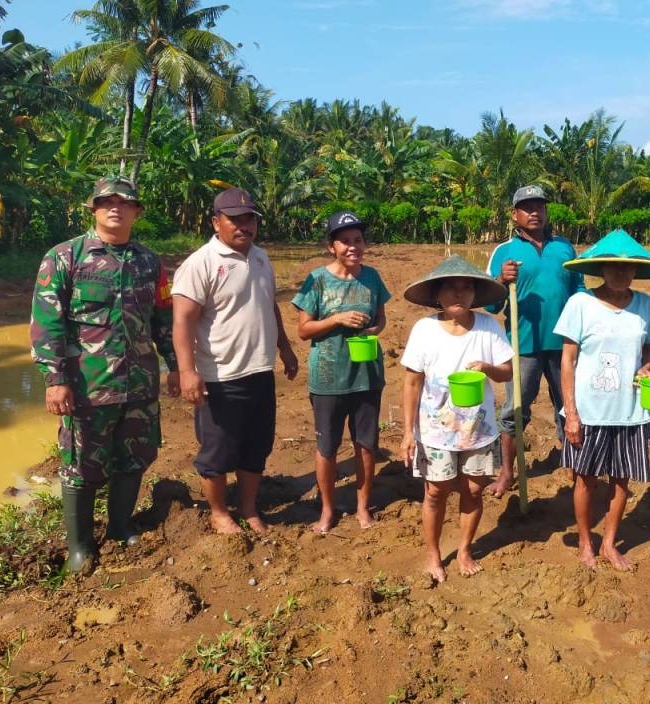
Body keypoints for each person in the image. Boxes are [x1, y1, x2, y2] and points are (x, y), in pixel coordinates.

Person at [31, 176, 180, 573]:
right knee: (81, 464)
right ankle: (79, 547)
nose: (115, 206)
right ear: (93, 209)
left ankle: (119, 526)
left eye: (124, 201)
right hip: (87, 387)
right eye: (106, 201)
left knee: (133, 458)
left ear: (136, 211)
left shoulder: (151, 263)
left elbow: (162, 319)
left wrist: (176, 366)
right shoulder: (65, 258)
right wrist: (55, 379)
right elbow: (47, 324)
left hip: (139, 385)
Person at [172, 187, 298, 535]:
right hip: (220, 376)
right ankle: (218, 512)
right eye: (234, 219)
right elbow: (183, 319)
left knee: (256, 445)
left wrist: (284, 349)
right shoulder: (200, 264)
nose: (244, 225)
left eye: (249, 219)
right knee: (217, 452)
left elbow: (269, 305)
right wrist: (186, 371)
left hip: (260, 370)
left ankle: (249, 509)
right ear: (216, 222)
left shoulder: (261, 257)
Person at [555, 230, 650, 571]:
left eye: (629, 269)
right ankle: (585, 543)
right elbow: (568, 361)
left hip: (630, 410)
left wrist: (648, 366)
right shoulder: (580, 304)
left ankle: (609, 543)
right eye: (614, 268)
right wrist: (571, 413)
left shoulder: (646, 305)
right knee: (585, 478)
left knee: (622, 478)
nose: (622, 274)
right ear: (600, 270)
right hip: (589, 411)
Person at [400, 255, 513, 581]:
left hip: (479, 431)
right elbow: (411, 382)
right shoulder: (424, 330)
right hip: (435, 433)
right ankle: (434, 553)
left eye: (466, 288)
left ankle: (464, 549)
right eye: (451, 288)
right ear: (437, 294)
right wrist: (408, 433)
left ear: (476, 295)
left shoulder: (489, 327)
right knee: (435, 492)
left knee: (474, 491)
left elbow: (506, 372)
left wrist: (487, 367)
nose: (459, 294)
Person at [293, 211, 390, 532]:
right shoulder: (317, 280)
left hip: (367, 376)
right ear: (331, 246)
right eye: (345, 242)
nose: (353, 247)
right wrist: (337, 319)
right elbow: (304, 331)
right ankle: (327, 510)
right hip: (328, 378)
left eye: (358, 240)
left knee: (365, 444)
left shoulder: (372, 277)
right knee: (327, 446)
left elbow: (381, 319)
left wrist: (373, 330)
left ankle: (363, 507)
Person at [484, 184, 584, 496]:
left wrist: (583, 322)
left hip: (562, 345)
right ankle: (506, 471)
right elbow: (489, 303)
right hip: (522, 346)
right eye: (527, 207)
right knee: (515, 410)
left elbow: (578, 289)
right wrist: (501, 281)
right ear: (515, 215)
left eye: (539, 206)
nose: (535, 212)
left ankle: (572, 462)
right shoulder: (504, 252)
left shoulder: (565, 248)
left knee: (567, 407)